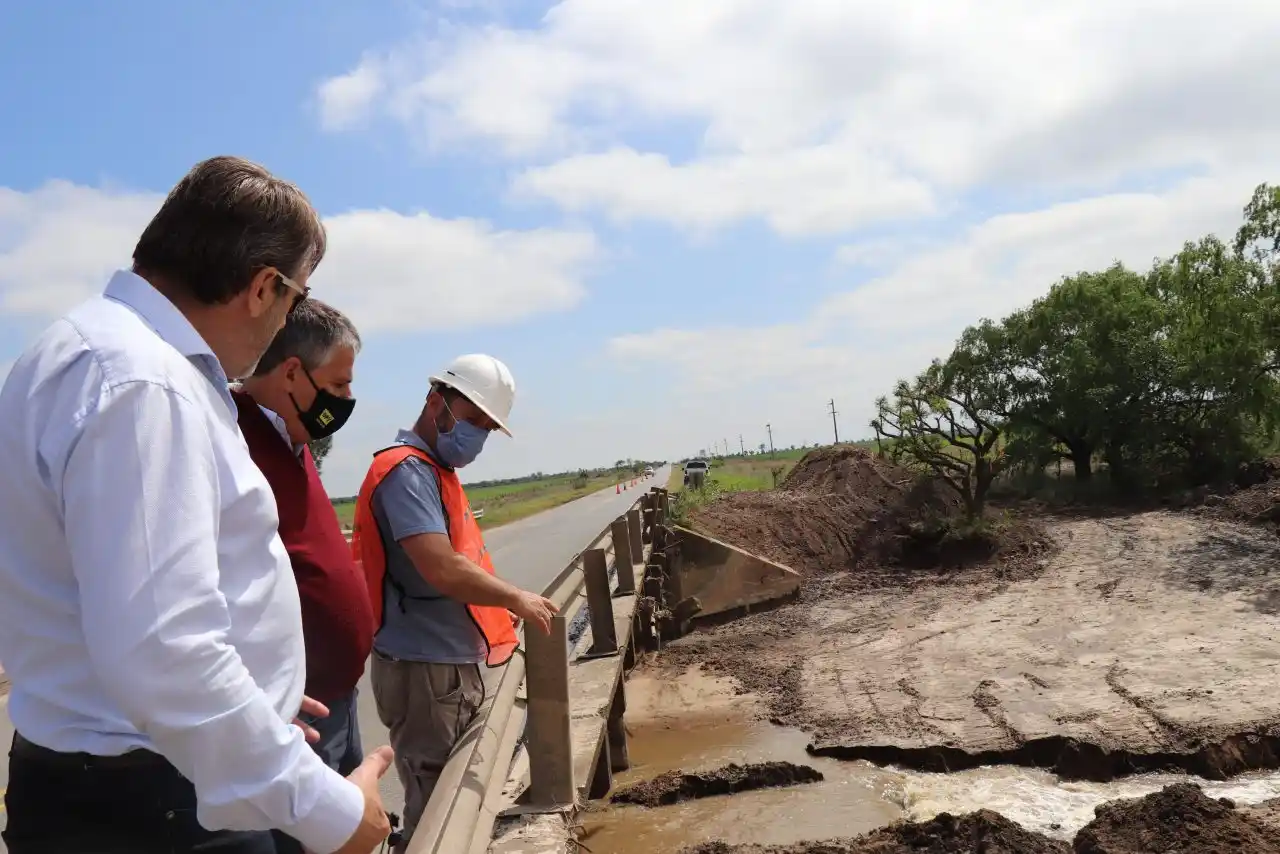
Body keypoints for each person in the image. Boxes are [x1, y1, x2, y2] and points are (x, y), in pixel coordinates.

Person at [0, 156, 392, 854]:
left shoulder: (74, 353)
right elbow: (165, 649)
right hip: (157, 808)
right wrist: (328, 810)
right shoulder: (144, 382)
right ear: (263, 287)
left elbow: (117, 602)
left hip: (110, 781)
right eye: (295, 300)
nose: (285, 323)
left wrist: (259, 695)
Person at [351, 354, 559, 852]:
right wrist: (515, 596)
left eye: (487, 429)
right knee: (437, 813)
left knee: (446, 795)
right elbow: (441, 567)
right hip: (424, 671)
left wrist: (496, 606)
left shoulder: (434, 472)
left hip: (442, 667)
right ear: (436, 402)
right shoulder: (404, 472)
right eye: (473, 421)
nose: (477, 438)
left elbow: (463, 567)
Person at [232, 299, 375, 853]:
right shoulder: (236, 441)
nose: (344, 402)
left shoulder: (293, 443)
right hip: (294, 721)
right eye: (338, 387)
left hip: (336, 699)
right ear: (292, 372)